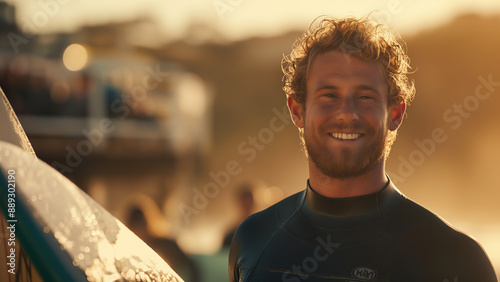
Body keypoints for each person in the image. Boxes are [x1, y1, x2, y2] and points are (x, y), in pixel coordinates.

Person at [228, 16, 498, 282]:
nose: (347, 114)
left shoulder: (455, 260)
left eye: (365, 96)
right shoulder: (253, 239)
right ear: (297, 110)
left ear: (395, 113)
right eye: (329, 95)